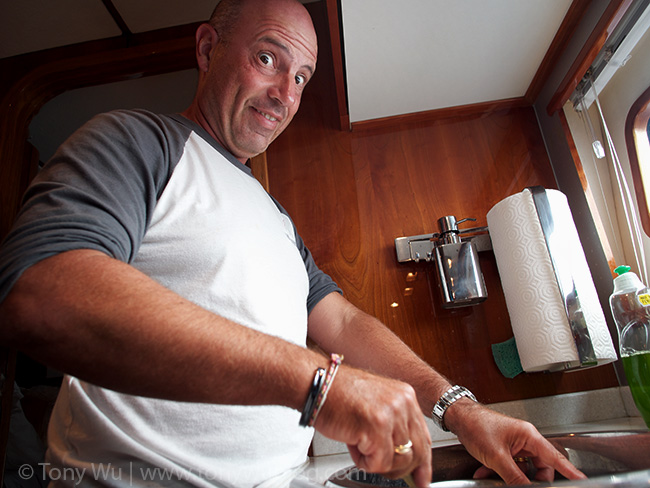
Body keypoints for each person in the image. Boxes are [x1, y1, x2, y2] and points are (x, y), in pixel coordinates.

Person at [0, 0, 587, 487]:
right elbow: (45, 290)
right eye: (267, 58)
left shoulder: (273, 214)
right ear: (207, 50)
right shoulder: (137, 141)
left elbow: (346, 325)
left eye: (301, 77)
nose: (285, 93)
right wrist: (319, 385)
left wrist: (461, 412)